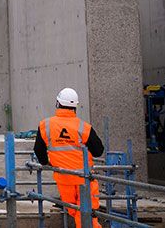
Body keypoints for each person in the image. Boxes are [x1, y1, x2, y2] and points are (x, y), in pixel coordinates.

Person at [34, 88, 105, 228]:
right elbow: (98, 151)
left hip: (63, 178)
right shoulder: (83, 127)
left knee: (75, 211)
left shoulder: (45, 125)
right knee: (87, 213)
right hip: (85, 178)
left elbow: (38, 149)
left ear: (58, 103)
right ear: (75, 107)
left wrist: (45, 162)